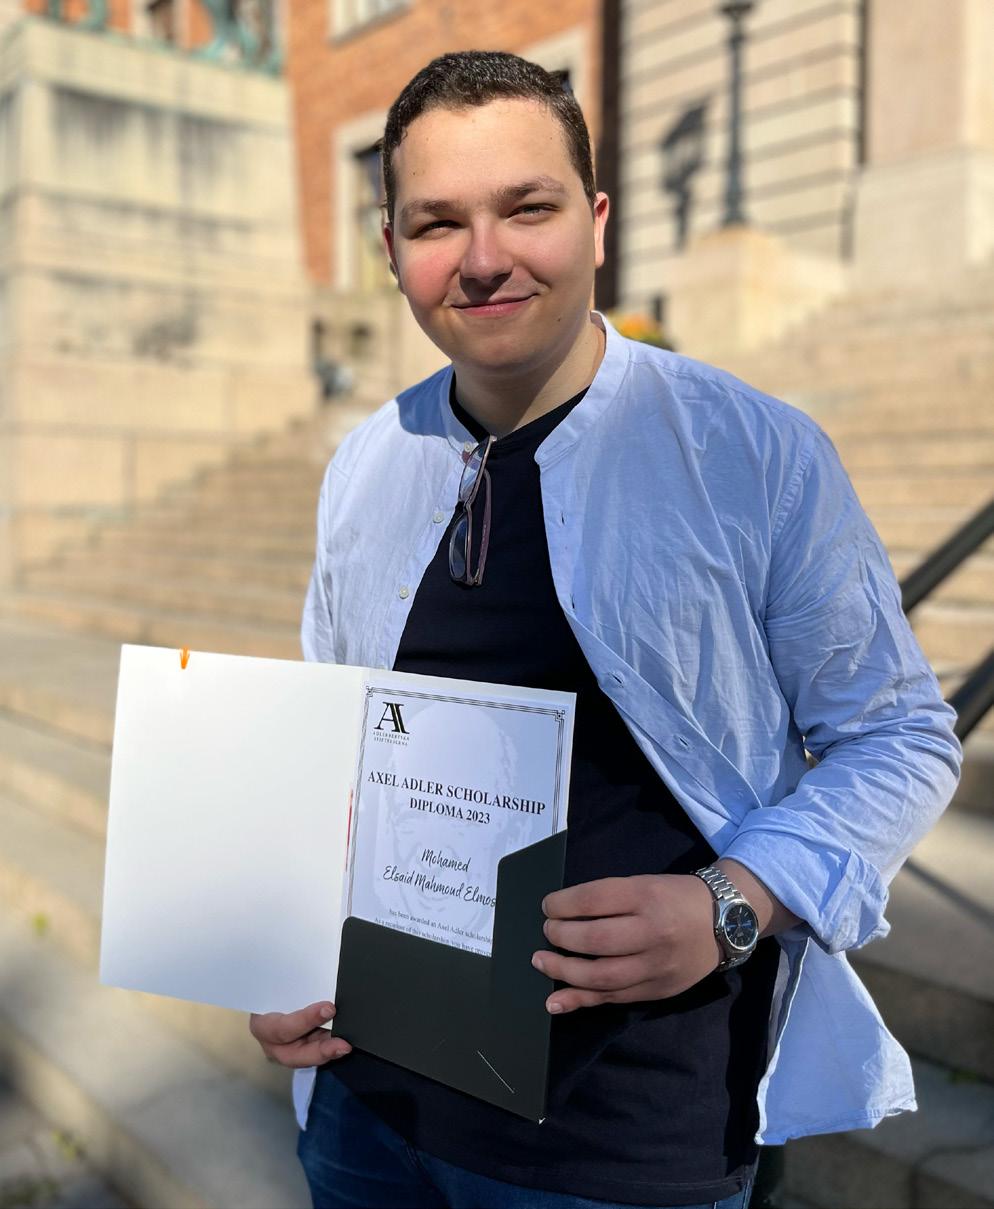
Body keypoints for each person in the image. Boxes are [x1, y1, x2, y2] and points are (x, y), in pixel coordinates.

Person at [249, 50, 962, 1209]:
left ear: (594, 222)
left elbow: (900, 736)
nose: (483, 258)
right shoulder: (365, 463)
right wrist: (275, 945)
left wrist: (734, 901)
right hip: (368, 1105)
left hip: (624, 1141)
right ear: (389, 249)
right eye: (437, 223)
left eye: (525, 208)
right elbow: (335, 751)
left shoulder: (751, 454)